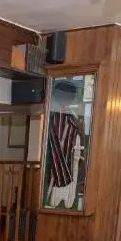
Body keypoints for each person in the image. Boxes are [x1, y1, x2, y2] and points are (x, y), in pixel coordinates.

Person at [44, 79, 85, 209]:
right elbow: (53, 146)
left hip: (71, 166)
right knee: (54, 201)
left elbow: (79, 144)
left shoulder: (73, 117)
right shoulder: (53, 116)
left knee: (67, 201)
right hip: (57, 168)